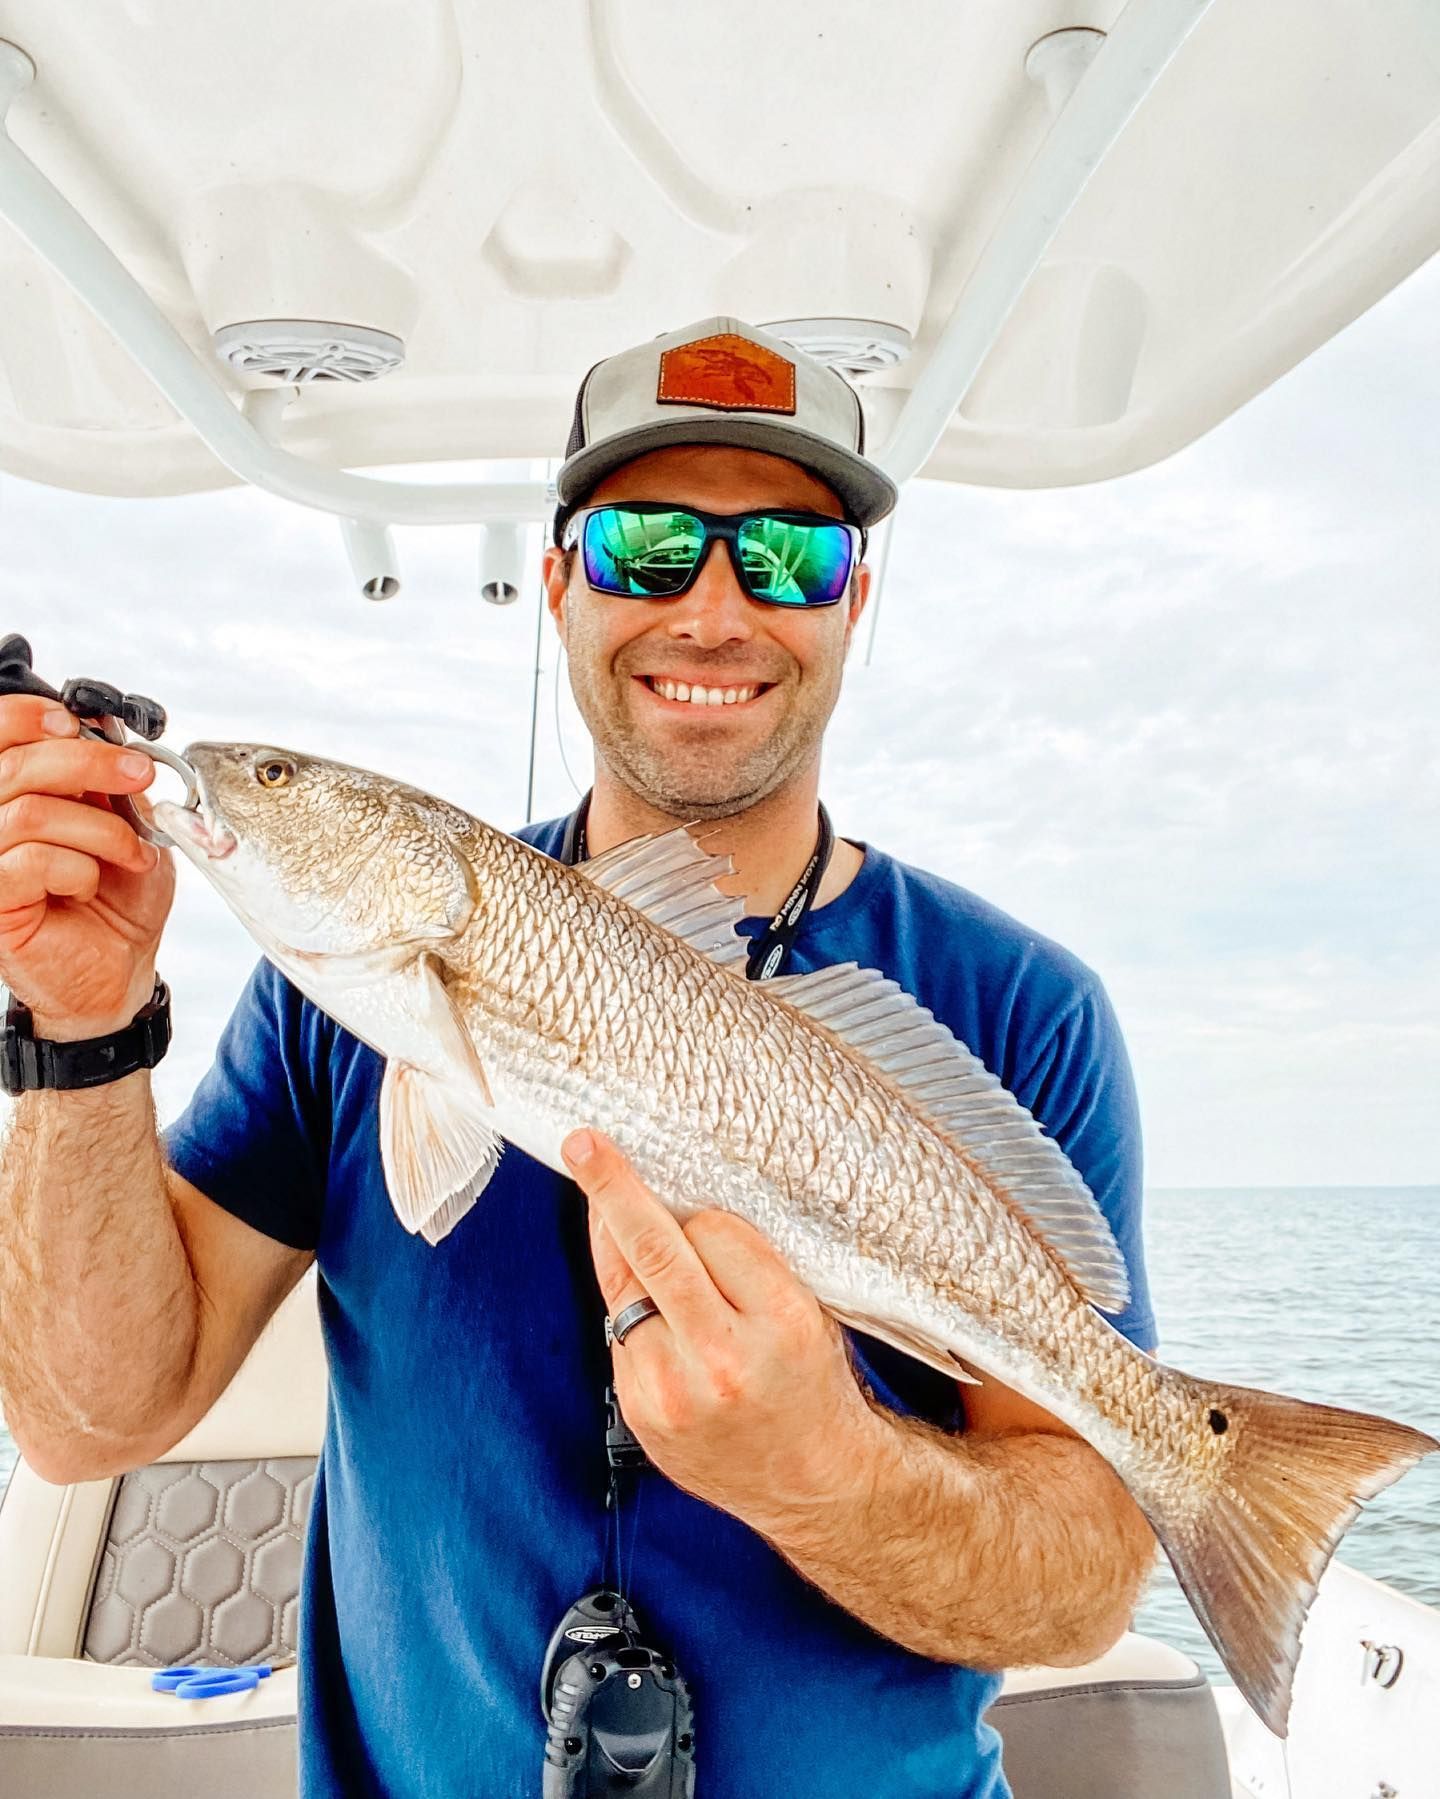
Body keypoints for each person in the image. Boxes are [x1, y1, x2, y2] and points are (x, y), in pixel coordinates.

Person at [0, 316, 1157, 1798]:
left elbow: (1085, 1588)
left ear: (853, 603)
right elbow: (90, 1422)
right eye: (648, 548)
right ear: (558, 585)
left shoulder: (1026, 1010)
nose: (717, 609)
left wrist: (823, 1463)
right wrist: (83, 1026)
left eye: (790, 555)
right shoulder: (333, 1006)